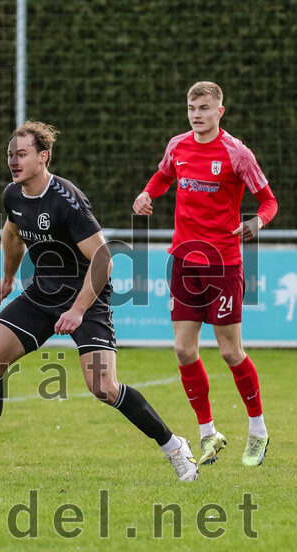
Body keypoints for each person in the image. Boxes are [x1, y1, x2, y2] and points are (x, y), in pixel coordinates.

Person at [0, 121, 199, 482]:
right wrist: (9, 277)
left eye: (22, 154)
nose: (14, 161)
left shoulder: (66, 200)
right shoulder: (13, 194)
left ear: (43, 157)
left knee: (104, 387)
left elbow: (104, 259)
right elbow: (12, 233)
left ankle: (175, 446)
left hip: (86, 296)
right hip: (42, 293)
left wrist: (77, 310)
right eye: (10, 154)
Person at [133, 81, 276, 467]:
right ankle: (208, 433)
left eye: (204, 108)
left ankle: (258, 431)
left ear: (219, 112)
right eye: (192, 108)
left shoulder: (236, 153)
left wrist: (257, 222)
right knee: (183, 350)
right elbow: (163, 176)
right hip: (183, 261)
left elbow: (268, 200)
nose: (197, 114)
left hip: (223, 264)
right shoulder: (177, 146)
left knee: (230, 351)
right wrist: (147, 194)